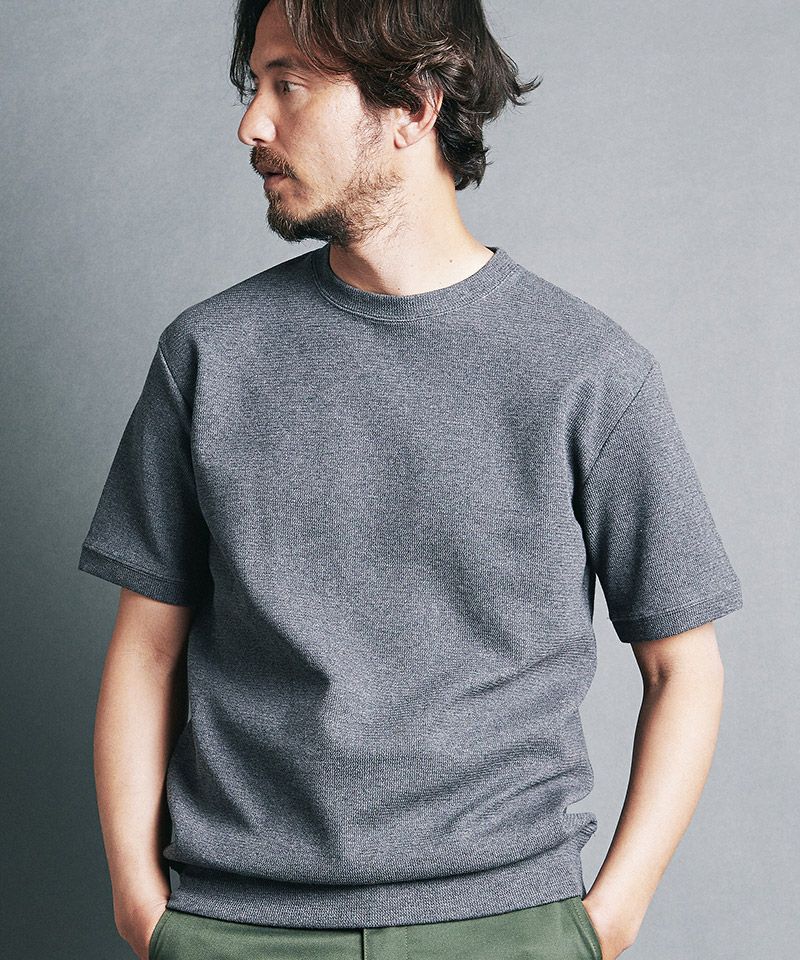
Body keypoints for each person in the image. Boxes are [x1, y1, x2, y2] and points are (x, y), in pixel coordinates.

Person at [78, 1, 743, 958]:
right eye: (255, 85)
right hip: (237, 924)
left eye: (288, 84)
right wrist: (140, 907)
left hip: (507, 927)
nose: (252, 124)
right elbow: (146, 650)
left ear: (414, 104)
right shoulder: (208, 355)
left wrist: (607, 920)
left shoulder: (588, 371)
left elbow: (684, 666)